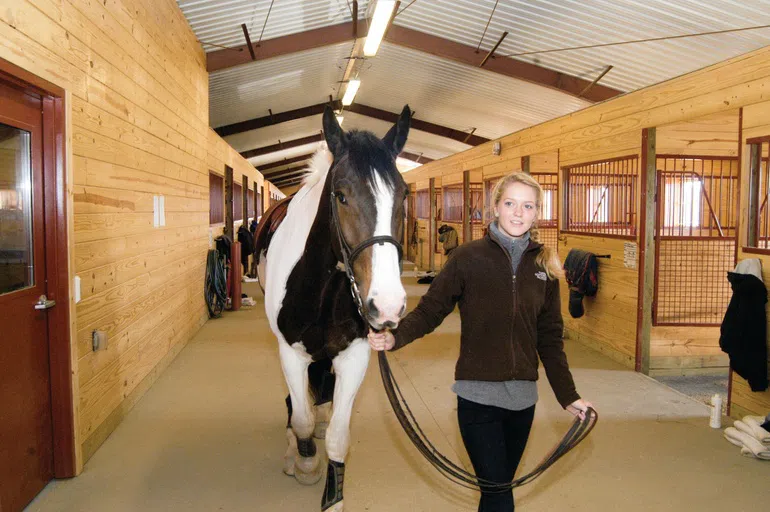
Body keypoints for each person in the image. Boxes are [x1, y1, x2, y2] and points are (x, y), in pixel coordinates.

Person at [368, 172, 593, 512]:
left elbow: (550, 338)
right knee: (501, 495)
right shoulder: (467, 258)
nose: (518, 213)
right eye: (510, 203)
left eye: (527, 206)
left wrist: (568, 396)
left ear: (537, 213)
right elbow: (431, 310)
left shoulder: (544, 264)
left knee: (495, 491)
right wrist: (395, 337)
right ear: (496, 207)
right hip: (478, 397)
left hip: (523, 400)